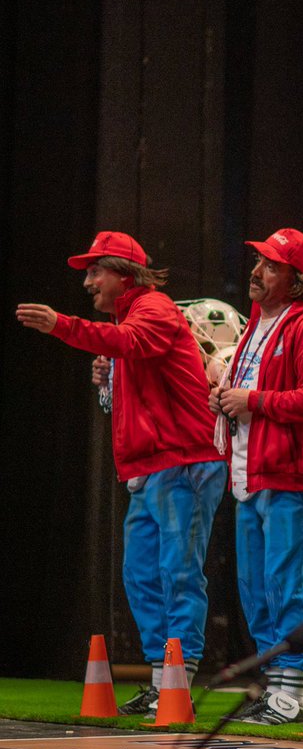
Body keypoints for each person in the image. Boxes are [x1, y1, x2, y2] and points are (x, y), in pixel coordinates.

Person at [16, 232, 227, 720]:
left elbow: (132, 342)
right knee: (140, 575)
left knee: (177, 573)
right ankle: (162, 681)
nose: (88, 281)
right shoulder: (128, 319)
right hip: (152, 469)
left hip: (183, 462)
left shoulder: (151, 307)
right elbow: (132, 365)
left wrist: (62, 326)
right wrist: (110, 379)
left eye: (95, 271)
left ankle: (178, 681)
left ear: (123, 273)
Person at [213, 228, 303, 725]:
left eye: (271, 265)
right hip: (250, 475)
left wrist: (252, 401)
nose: (257, 272)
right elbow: (249, 396)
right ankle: (274, 687)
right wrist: (224, 400)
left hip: (289, 475)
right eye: (259, 262)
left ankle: (290, 692)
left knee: (286, 585)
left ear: (296, 279)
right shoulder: (256, 327)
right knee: (254, 588)